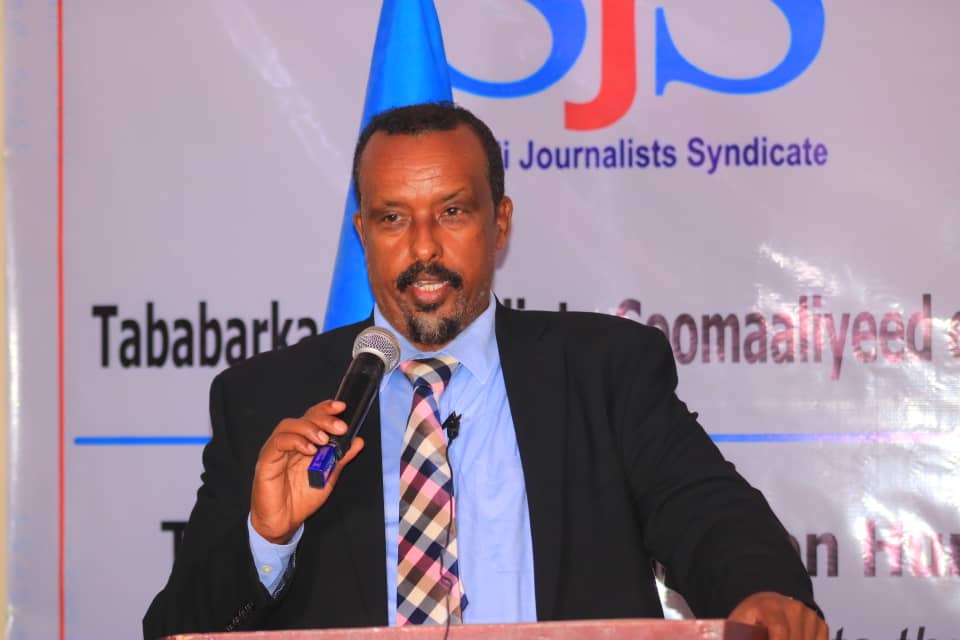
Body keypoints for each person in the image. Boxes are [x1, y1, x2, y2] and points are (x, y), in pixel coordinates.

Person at [143, 102, 827, 640]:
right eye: (392, 218)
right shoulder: (268, 399)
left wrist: (761, 594)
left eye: (452, 212)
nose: (423, 248)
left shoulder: (603, 373)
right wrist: (269, 538)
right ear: (362, 234)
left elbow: (710, 518)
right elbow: (176, 631)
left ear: (499, 224)